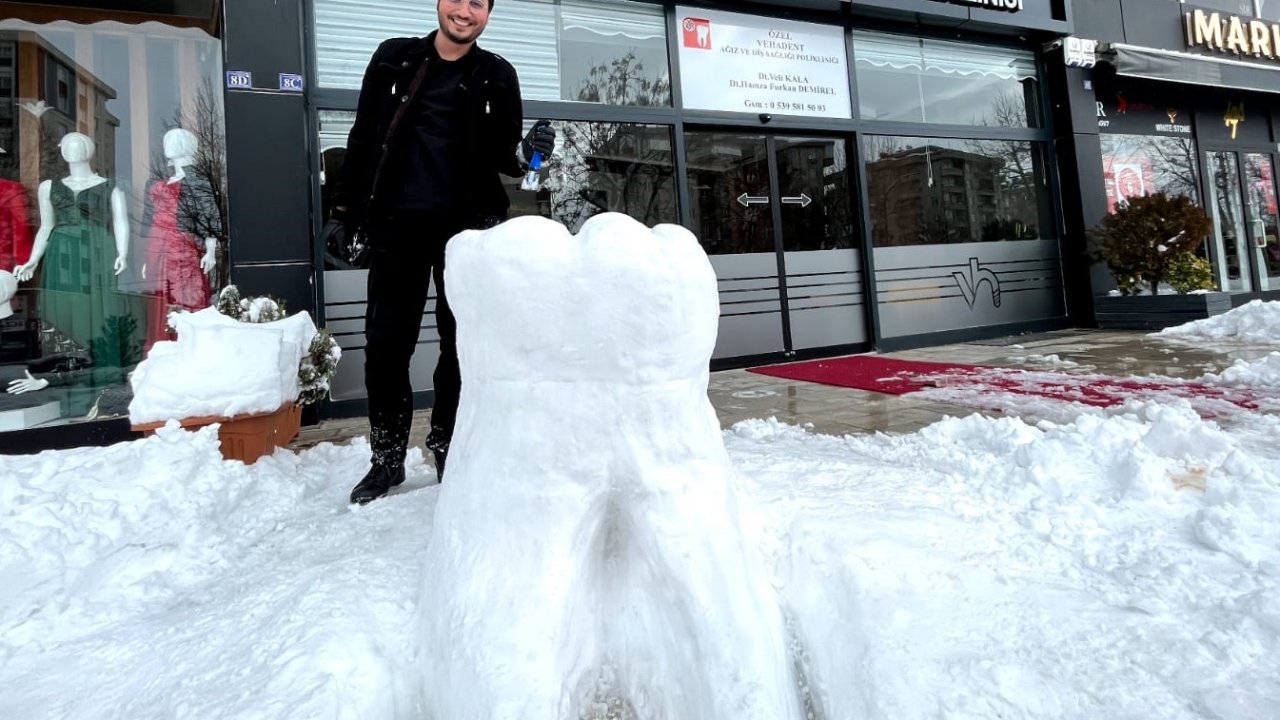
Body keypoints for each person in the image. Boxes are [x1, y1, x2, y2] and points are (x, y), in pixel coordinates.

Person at [335, 0, 556, 504]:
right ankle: (387, 459)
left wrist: (529, 151)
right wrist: (345, 210)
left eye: (478, 3)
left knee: (460, 348)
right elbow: (364, 136)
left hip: (469, 236)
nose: (465, 10)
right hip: (397, 227)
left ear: (488, 14)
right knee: (387, 347)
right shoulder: (394, 59)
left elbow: (510, 160)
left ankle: (447, 447)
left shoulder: (498, 75)